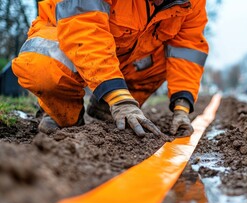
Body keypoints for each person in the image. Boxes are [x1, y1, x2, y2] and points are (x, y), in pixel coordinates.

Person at [12, 0, 208, 137]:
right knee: (41, 65)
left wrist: (182, 107)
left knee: (163, 59)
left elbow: (186, 50)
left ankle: (107, 109)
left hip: (124, 54)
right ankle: (64, 114)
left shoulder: (193, 2)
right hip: (69, 37)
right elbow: (85, 33)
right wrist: (117, 96)